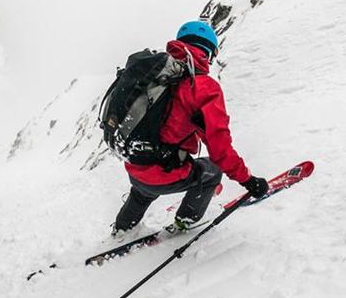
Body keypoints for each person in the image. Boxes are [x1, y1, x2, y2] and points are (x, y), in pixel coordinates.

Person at [113, 21, 269, 235]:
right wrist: (249, 181)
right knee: (212, 171)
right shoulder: (203, 87)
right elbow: (220, 149)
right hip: (163, 174)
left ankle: (122, 229)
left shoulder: (156, 77)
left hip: (135, 167)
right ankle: (185, 222)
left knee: (143, 189)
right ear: (208, 52)